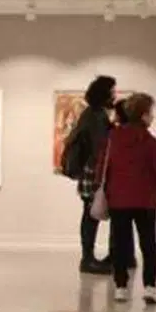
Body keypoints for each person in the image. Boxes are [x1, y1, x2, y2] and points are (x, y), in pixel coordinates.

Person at [103, 93, 156, 304]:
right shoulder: (149, 141)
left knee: (120, 244)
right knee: (148, 245)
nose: (152, 117)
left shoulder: (112, 138)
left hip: (118, 200)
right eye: (150, 113)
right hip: (146, 201)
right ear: (142, 115)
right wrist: (155, 192)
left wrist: (109, 191)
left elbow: (103, 167)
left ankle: (121, 287)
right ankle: (150, 287)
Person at [65, 75, 118, 275]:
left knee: (90, 214)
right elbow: (100, 148)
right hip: (94, 171)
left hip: (91, 170)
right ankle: (87, 259)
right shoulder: (95, 116)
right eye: (112, 91)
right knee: (91, 215)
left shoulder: (93, 114)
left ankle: (89, 258)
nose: (114, 95)